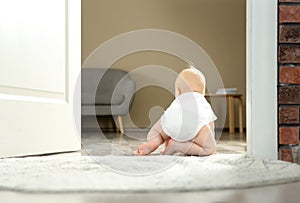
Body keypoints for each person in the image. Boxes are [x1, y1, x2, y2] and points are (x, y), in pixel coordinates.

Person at [136, 67, 217, 156]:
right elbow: (210, 124)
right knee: (209, 149)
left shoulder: (178, 101)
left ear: (178, 92)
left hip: (172, 123)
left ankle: (153, 143)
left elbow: (168, 114)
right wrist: (208, 138)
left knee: (157, 130)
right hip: (195, 127)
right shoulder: (202, 101)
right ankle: (177, 146)